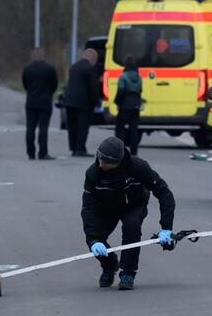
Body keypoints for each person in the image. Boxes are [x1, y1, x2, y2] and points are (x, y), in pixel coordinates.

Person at [82, 136, 176, 291]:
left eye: (105, 162)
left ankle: (128, 272)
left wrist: (166, 227)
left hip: (134, 205)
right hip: (106, 207)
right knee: (94, 238)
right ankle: (109, 265)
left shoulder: (139, 167)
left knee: (131, 227)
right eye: (99, 160)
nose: (101, 164)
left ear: (117, 162)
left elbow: (165, 194)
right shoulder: (93, 173)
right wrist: (93, 239)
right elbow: (88, 208)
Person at [21, 47, 58, 160]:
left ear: (33, 56)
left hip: (31, 101)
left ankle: (30, 152)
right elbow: (55, 84)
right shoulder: (50, 69)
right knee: (43, 128)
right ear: (42, 55)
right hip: (45, 101)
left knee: (30, 128)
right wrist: (49, 93)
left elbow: (25, 84)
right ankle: (42, 152)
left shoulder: (27, 69)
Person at [63, 48, 99, 157]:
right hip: (84, 102)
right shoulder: (90, 68)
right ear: (92, 58)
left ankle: (73, 148)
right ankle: (80, 149)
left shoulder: (73, 67)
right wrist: (96, 102)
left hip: (69, 101)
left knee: (72, 126)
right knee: (82, 126)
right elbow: (93, 88)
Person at [114, 57, 143, 155]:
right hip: (136, 105)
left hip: (125, 105)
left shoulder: (123, 76)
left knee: (120, 128)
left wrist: (117, 102)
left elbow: (121, 91)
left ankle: (119, 150)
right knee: (134, 130)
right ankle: (134, 151)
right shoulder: (139, 77)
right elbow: (140, 90)